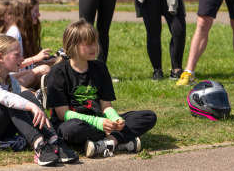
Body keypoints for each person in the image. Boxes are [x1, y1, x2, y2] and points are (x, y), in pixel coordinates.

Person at [46, 19, 157, 157]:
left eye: (95, 42)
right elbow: (63, 114)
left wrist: (115, 119)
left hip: (99, 120)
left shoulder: (100, 68)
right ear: (73, 46)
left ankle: (108, 142)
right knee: (72, 129)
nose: (94, 47)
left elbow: (106, 106)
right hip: (71, 123)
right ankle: (120, 140)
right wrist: (98, 123)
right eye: (88, 44)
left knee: (149, 116)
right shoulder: (58, 72)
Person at [0, 35, 78, 166]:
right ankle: (39, 144)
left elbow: (23, 99)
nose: (22, 59)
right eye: (17, 55)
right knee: (11, 102)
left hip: (0, 130)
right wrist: (31, 107)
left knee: (26, 95)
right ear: (0, 57)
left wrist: (33, 103)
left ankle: (53, 140)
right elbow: (6, 98)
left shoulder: (11, 81)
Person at [6, 0, 53, 89]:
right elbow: (12, 65)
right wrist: (35, 58)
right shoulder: (13, 33)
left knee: (52, 68)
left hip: (25, 75)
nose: (39, 14)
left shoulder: (25, 31)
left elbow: (26, 65)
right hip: (12, 79)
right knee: (44, 70)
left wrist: (47, 61)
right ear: (25, 13)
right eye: (36, 11)